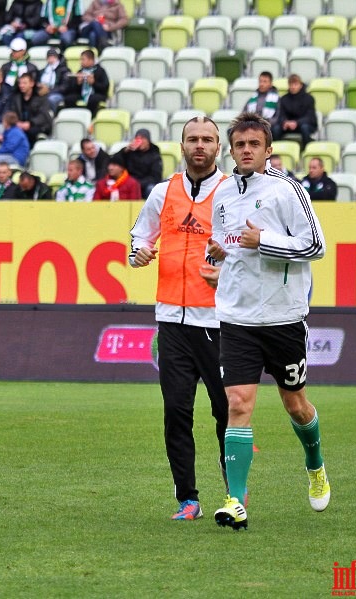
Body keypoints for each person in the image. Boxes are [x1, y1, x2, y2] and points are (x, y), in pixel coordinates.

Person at [199, 112, 328, 531]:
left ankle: (315, 463)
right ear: (231, 150)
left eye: (255, 144)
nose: (247, 150)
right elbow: (230, 247)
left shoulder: (288, 189)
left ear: (268, 150)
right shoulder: (221, 196)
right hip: (236, 316)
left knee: (296, 403)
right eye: (240, 145)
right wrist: (219, 257)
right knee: (237, 403)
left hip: (283, 317)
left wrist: (264, 241)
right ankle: (236, 500)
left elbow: (315, 245)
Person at [129, 115, 229, 521]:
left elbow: (247, 249)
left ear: (218, 147)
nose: (200, 145)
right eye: (193, 139)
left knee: (227, 413)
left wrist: (230, 266)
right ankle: (188, 499)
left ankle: (233, 494)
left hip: (221, 323)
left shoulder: (231, 192)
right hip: (171, 321)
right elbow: (141, 235)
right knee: (176, 413)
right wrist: (138, 253)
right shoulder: (162, 192)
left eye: (207, 139)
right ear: (182, 145)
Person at [270, 74, 317, 150]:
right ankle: (278, 152)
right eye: (291, 84)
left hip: (304, 124)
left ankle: (307, 150)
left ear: (301, 85)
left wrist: (297, 123)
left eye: (295, 84)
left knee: (305, 128)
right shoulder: (284, 99)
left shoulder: (309, 98)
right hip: (287, 125)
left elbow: (310, 116)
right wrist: (285, 122)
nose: (293, 87)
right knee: (276, 129)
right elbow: (280, 114)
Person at [8, 73, 53, 146]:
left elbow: (43, 115)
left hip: (38, 126)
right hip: (20, 125)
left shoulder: (41, 97)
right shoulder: (16, 97)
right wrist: (17, 122)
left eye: (24, 83)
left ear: (32, 83)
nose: (21, 85)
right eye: (20, 83)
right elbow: (12, 112)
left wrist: (30, 123)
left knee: (31, 132)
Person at [116, 128, 163, 199]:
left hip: (146, 184)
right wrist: (125, 151)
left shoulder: (155, 155)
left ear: (148, 141)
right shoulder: (129, 152)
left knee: (151, 189)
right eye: (137, 138)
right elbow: (115, 162)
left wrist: (137, 184)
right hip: (130, 183)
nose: (140, 141)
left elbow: (155, 177)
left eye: (143, 138)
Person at [61, 49, 109, 117]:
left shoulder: (100, 71)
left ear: (91, 60)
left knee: (93, 100)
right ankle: (73, 117)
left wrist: (93, 83)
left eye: (83, 59)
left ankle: (90, 118)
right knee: (69, 99)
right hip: (81, 94)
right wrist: (78, 83)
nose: (81, 62)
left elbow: (105, 88)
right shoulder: (80, 71)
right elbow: (72, 89)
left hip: (96, 94)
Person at [37, 47, 70, 112]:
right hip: (42, 91)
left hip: (57, 93)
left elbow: (64, 87)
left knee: (51, 99)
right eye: (49, 57)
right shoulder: (42, 70)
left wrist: (49, 90)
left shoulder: (64, 70)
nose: (51, 59)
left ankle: (50, 116)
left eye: (53, 57)